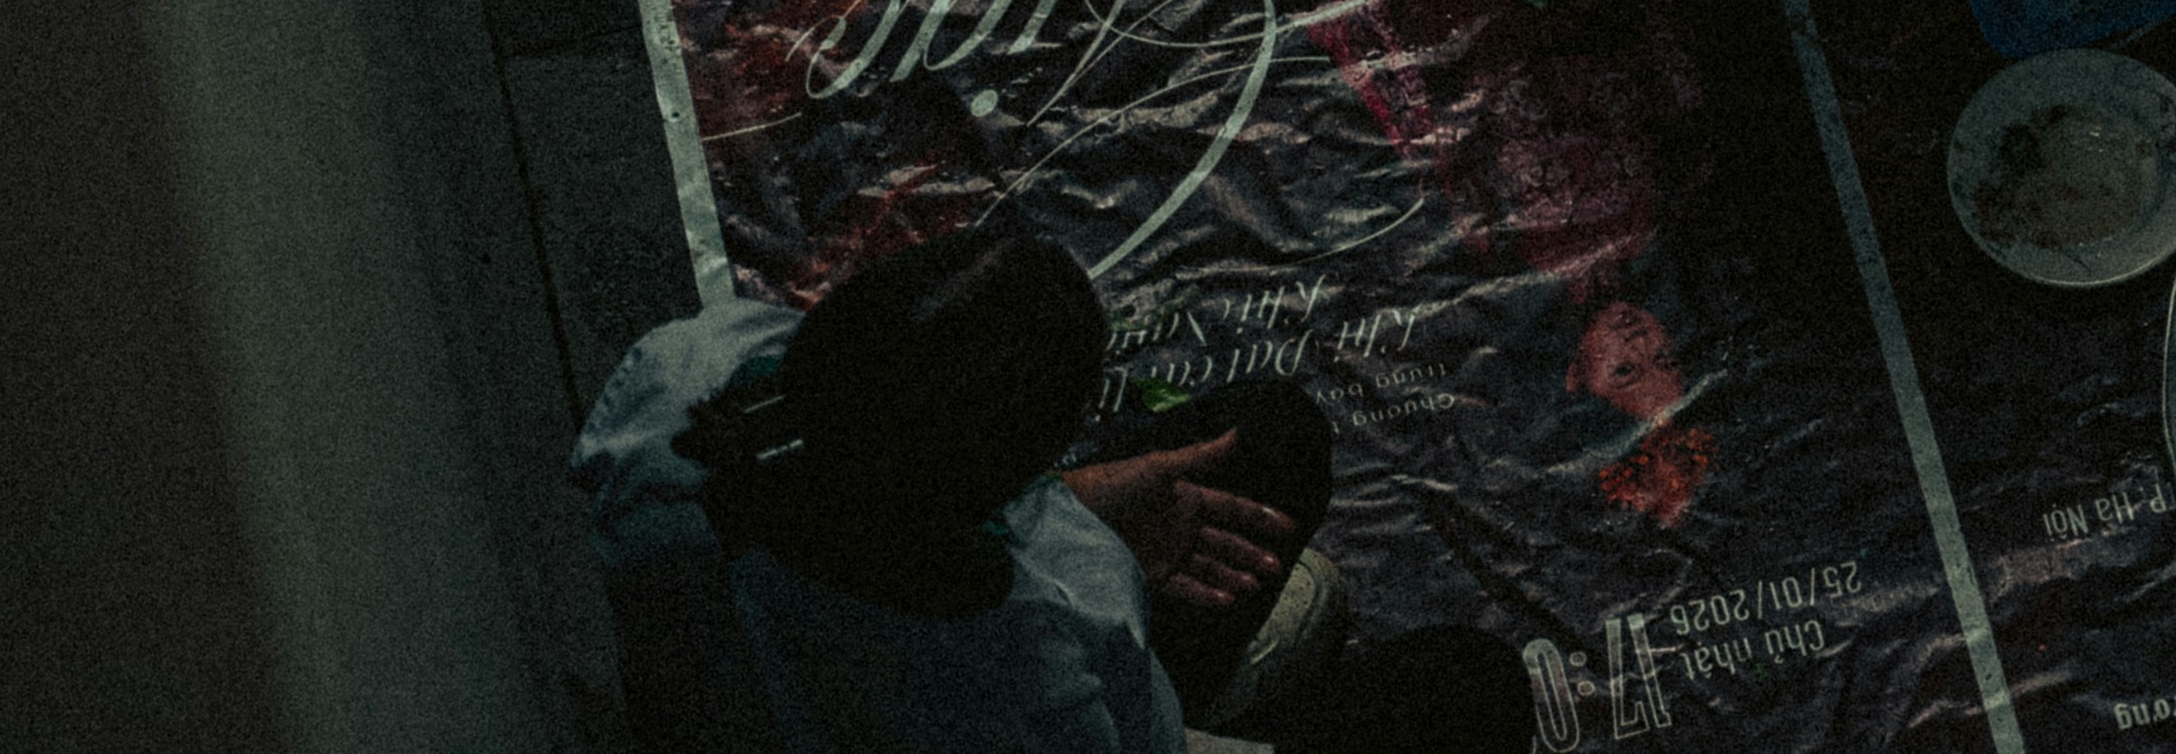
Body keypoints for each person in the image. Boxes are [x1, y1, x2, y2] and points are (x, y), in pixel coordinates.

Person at [574, 221, 1513, 753]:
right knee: (1468, 689)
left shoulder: (680, 386)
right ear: (1009, 485)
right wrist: (1090, 547)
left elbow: (865, 493)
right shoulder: (1034, 689)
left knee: (1266, 431)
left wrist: (1080, 507)